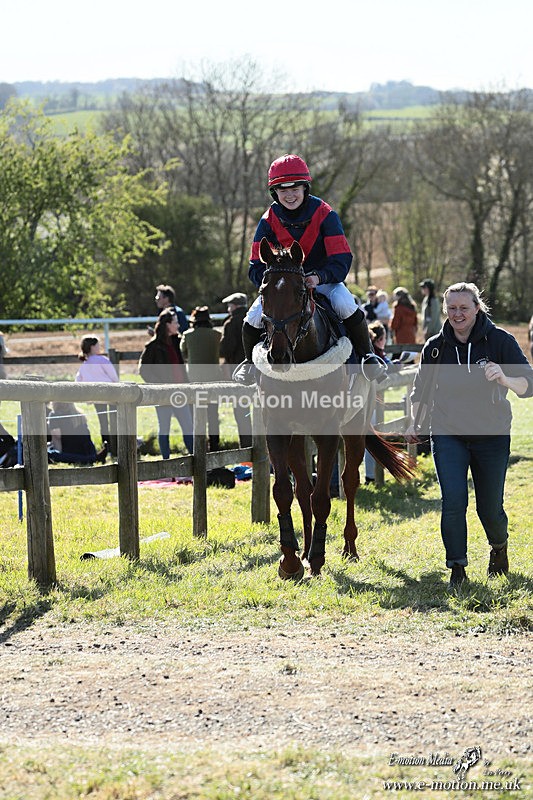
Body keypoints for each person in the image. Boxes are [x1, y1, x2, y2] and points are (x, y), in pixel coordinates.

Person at [405, 282, 533, 587]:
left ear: (477, 307)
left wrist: (504, 378)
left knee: (489, 508)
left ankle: (499, 547)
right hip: (448, 433)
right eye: (451, 308)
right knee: (453, 501)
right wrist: (414, 423)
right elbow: (420, 391)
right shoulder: (436, 346)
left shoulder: (499, 341)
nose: (457, 314)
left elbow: (529, 383)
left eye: (463, 307)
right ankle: (457, 568)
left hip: (491, 434)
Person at [233, 154, 385, 384]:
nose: (289, 195)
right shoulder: (267, 220)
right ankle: (248, 363)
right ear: (275, 193)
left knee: (345, 304)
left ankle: (368, 357)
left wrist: (319, 276)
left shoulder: (325, 214)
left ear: (305, 187)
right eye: (283, 190)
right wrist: (272, 287)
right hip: (283, 289)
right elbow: (255, 266)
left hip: (323, 281)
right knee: (252, 318)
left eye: (295, 188)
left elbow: (342, 259)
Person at [139, 309, 194, 457]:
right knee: (164, 428)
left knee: (188, 427)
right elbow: (144, 370)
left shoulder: (177, 342)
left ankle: (197, 462)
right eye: (175, 322)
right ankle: (165, 463)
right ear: (167, 324)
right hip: (163, 395)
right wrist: (160, 386)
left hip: (180, 392)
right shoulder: (153, 346)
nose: (178, 325)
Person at [181, 306, 221, 452]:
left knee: (197, 416)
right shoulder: (216, 335)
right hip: (214, 381)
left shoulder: (187, 335)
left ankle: (200, 447)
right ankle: (215, 445)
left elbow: (183, 352)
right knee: (213, 416)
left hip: (194, 381)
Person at [76, 335, 118, 459]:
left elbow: (78, 381)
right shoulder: (102, 360)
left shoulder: (85, 364)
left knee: (103, 422)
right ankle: (115, 447)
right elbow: (114, 377)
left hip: (96, 396)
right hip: (110, 393)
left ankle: (107, 447)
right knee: (114, 421)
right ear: (93, 347)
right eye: (98, 345)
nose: (100, 347)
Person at [219, 292, 253, 448]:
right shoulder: (254, 320)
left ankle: (247, 450)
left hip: (238, 373)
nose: (228, 309)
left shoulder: (231, 323)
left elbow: (225, 350)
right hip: (257, 371)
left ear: (235, 306)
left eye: (229, 306)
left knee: (242, 414)